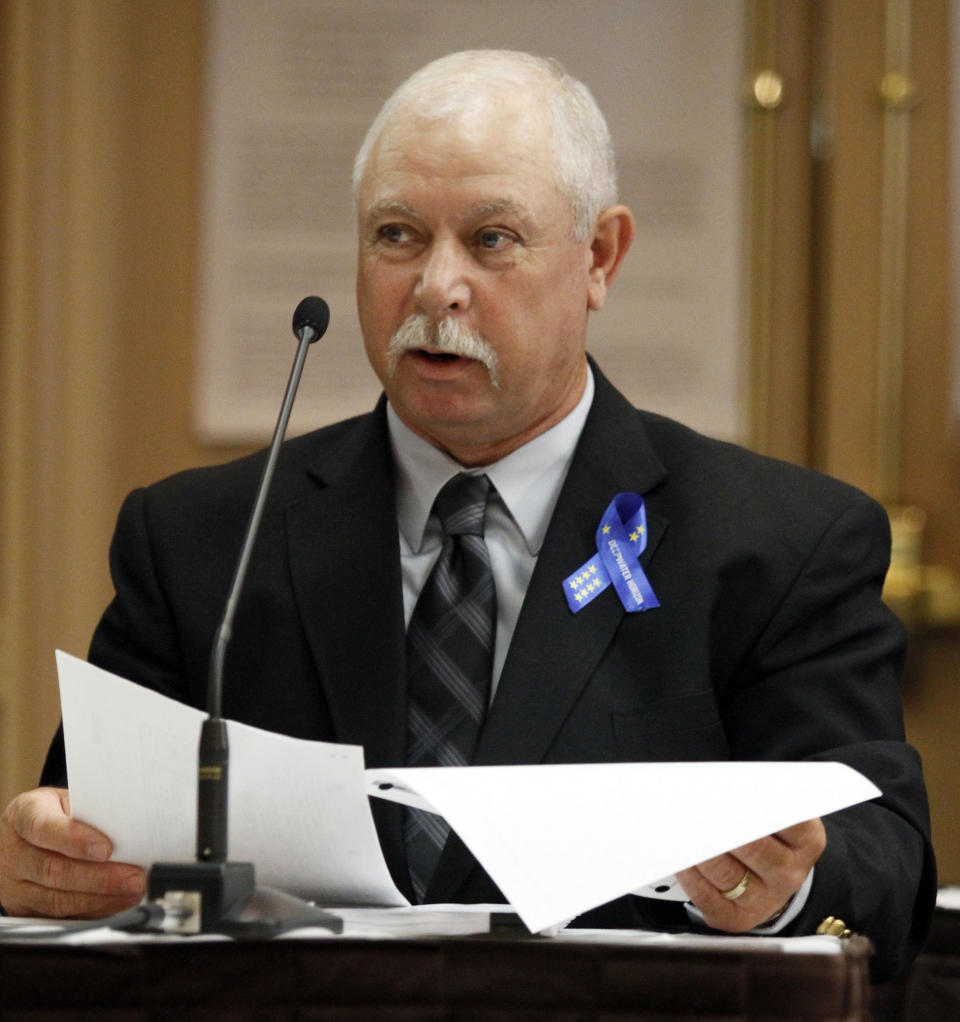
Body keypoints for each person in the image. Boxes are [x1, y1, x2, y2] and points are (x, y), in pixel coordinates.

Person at [0, 50, 935, 979]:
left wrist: (785, 888)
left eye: (492, 239)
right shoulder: (206, 544)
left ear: (600, 256)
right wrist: (44, 864)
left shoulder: (778, 543)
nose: (434, 287)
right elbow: (78, 832)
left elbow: (884, 862)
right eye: (398, 235)